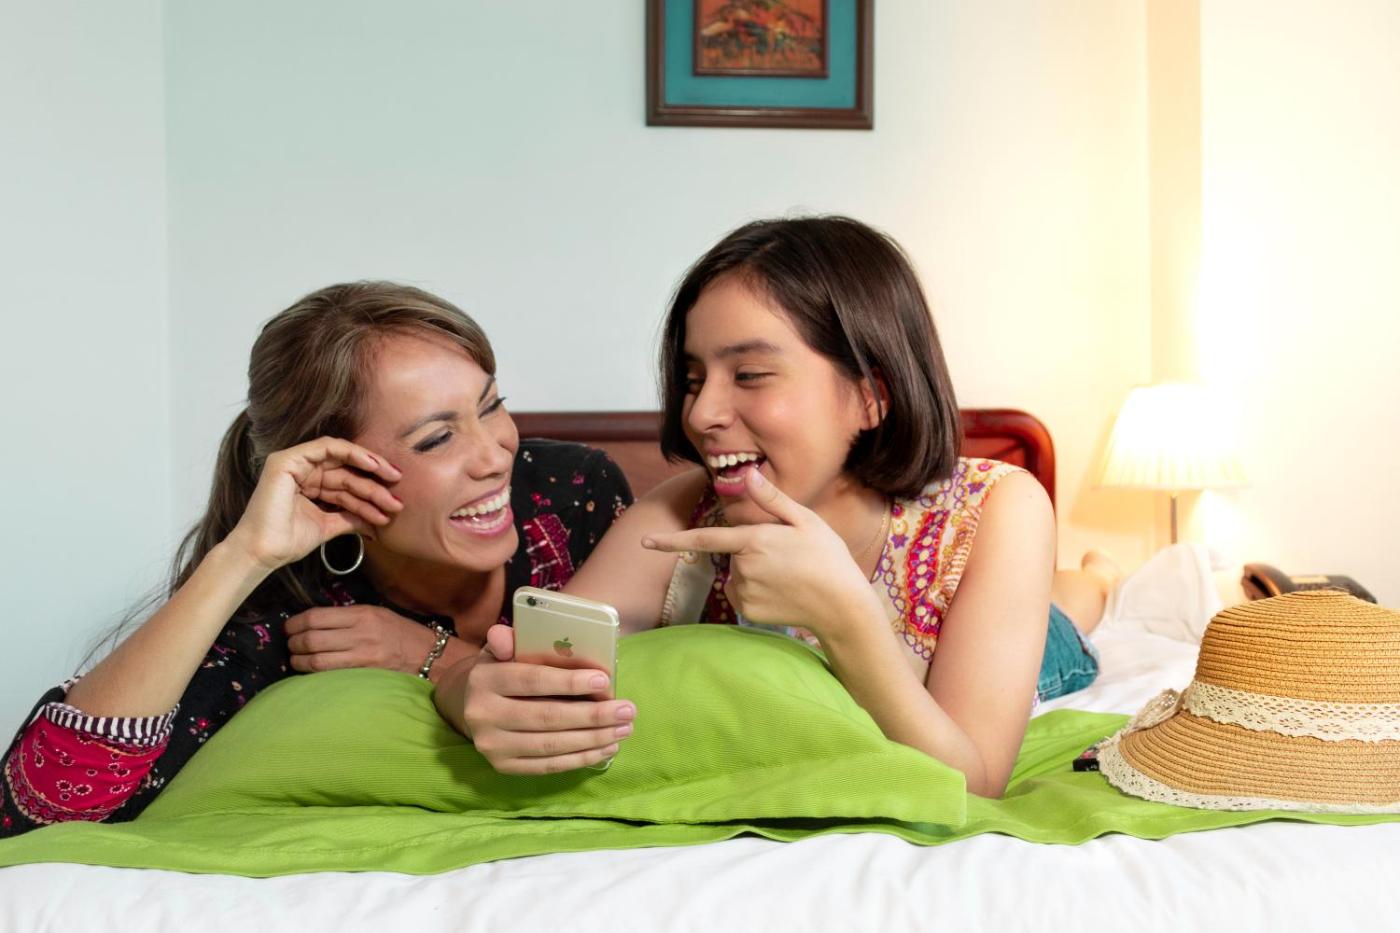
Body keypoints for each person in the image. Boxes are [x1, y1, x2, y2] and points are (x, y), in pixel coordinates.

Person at [436, 217, 1109, 797]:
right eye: (692, 378)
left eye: (750, 375)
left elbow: (974, 780)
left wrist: (845, 617)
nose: (701, 412)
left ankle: (1097, 579)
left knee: (1068, 618)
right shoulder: (679, 519)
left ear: (871, 396)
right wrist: (472, 698)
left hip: (996, 647)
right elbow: (503, 665)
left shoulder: (998, 508)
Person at [0, 282, 630, 836]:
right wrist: (243, 556)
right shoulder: (286, 609)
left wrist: (427, 655)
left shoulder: (573, 490)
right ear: (334, 469)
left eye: (491, 406)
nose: (494, 455)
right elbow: (36, 813)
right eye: (437, 438)